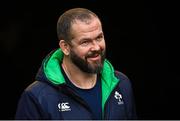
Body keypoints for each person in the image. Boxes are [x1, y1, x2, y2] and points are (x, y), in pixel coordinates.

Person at [15, 7, 137, 120]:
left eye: (99, 37)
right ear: (65, 47)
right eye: (85, 42)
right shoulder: (37, 97)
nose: (96, 47)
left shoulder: (121, 84)